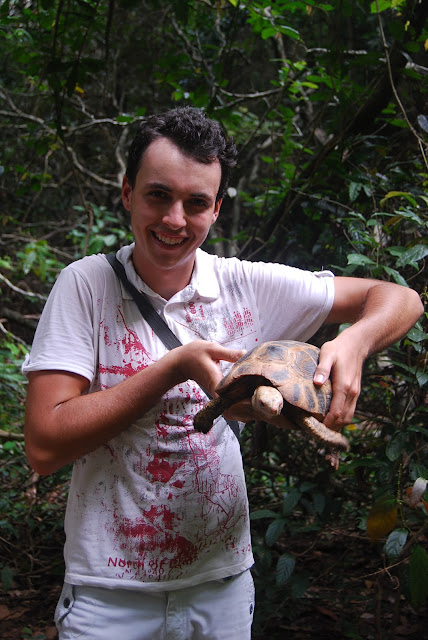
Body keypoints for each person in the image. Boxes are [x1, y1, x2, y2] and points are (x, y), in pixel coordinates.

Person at [23, 106, 423, 640]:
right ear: (126, 193)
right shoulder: (87, 286)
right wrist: (173, 368)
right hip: (109, 592)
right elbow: (45, 445)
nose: (174, 220)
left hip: (221, 585)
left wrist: (354, 339)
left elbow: (399, 297)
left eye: (195, 203)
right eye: (158, 195)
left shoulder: (244, 286)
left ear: (215, 211)